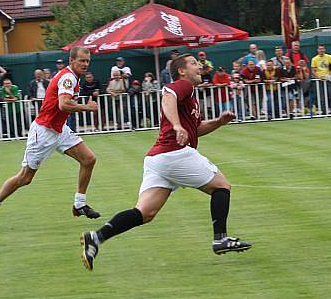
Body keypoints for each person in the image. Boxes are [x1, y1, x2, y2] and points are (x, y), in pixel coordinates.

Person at [79, 54, 251, 271]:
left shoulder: (190, 95)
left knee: (145, 213)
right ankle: (220, 238)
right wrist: (177, 126)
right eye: (194, 64)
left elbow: (195, 129)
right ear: (181, 71)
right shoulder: (183, 86)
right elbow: (167, 96)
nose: (199, 67)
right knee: (222, 186)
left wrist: (218, 122)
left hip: (157, 159)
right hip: (174, 153)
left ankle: (96, 237)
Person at [0, 47, 101, 232]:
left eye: (87, 61)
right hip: (43, 133)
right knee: (25, 178)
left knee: (89, 159)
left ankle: (79, 204)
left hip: (58, 130)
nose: (85, 64)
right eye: (82, 61)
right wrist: (87, 107)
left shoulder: (72, 77)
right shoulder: (68, 78)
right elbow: (64, 104)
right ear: (72, 61)